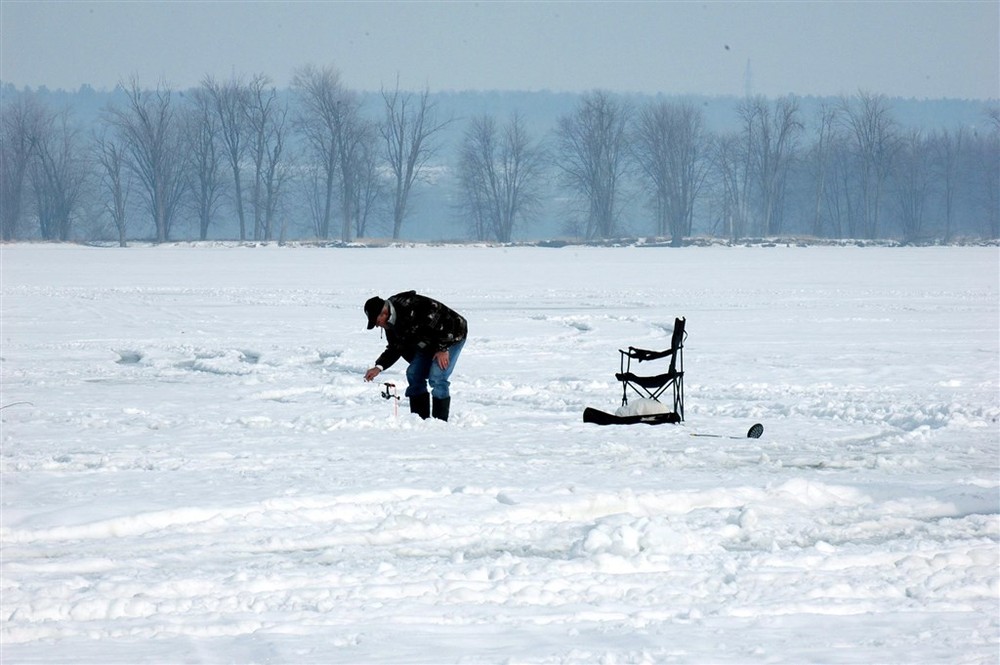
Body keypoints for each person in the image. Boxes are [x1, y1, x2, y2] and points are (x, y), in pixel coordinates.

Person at [363, 291, 467, 421]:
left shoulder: (415, 306)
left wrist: (442, 348)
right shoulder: (390, 323)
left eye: (377, 321)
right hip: (427, 342)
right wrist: (379, 367)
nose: (378, 325)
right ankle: (420, 420)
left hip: (452, 335)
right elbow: (396, 347)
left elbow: (446, 324)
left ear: (384, 313)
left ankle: (440, 423)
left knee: (437, 377)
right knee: (413, 373)